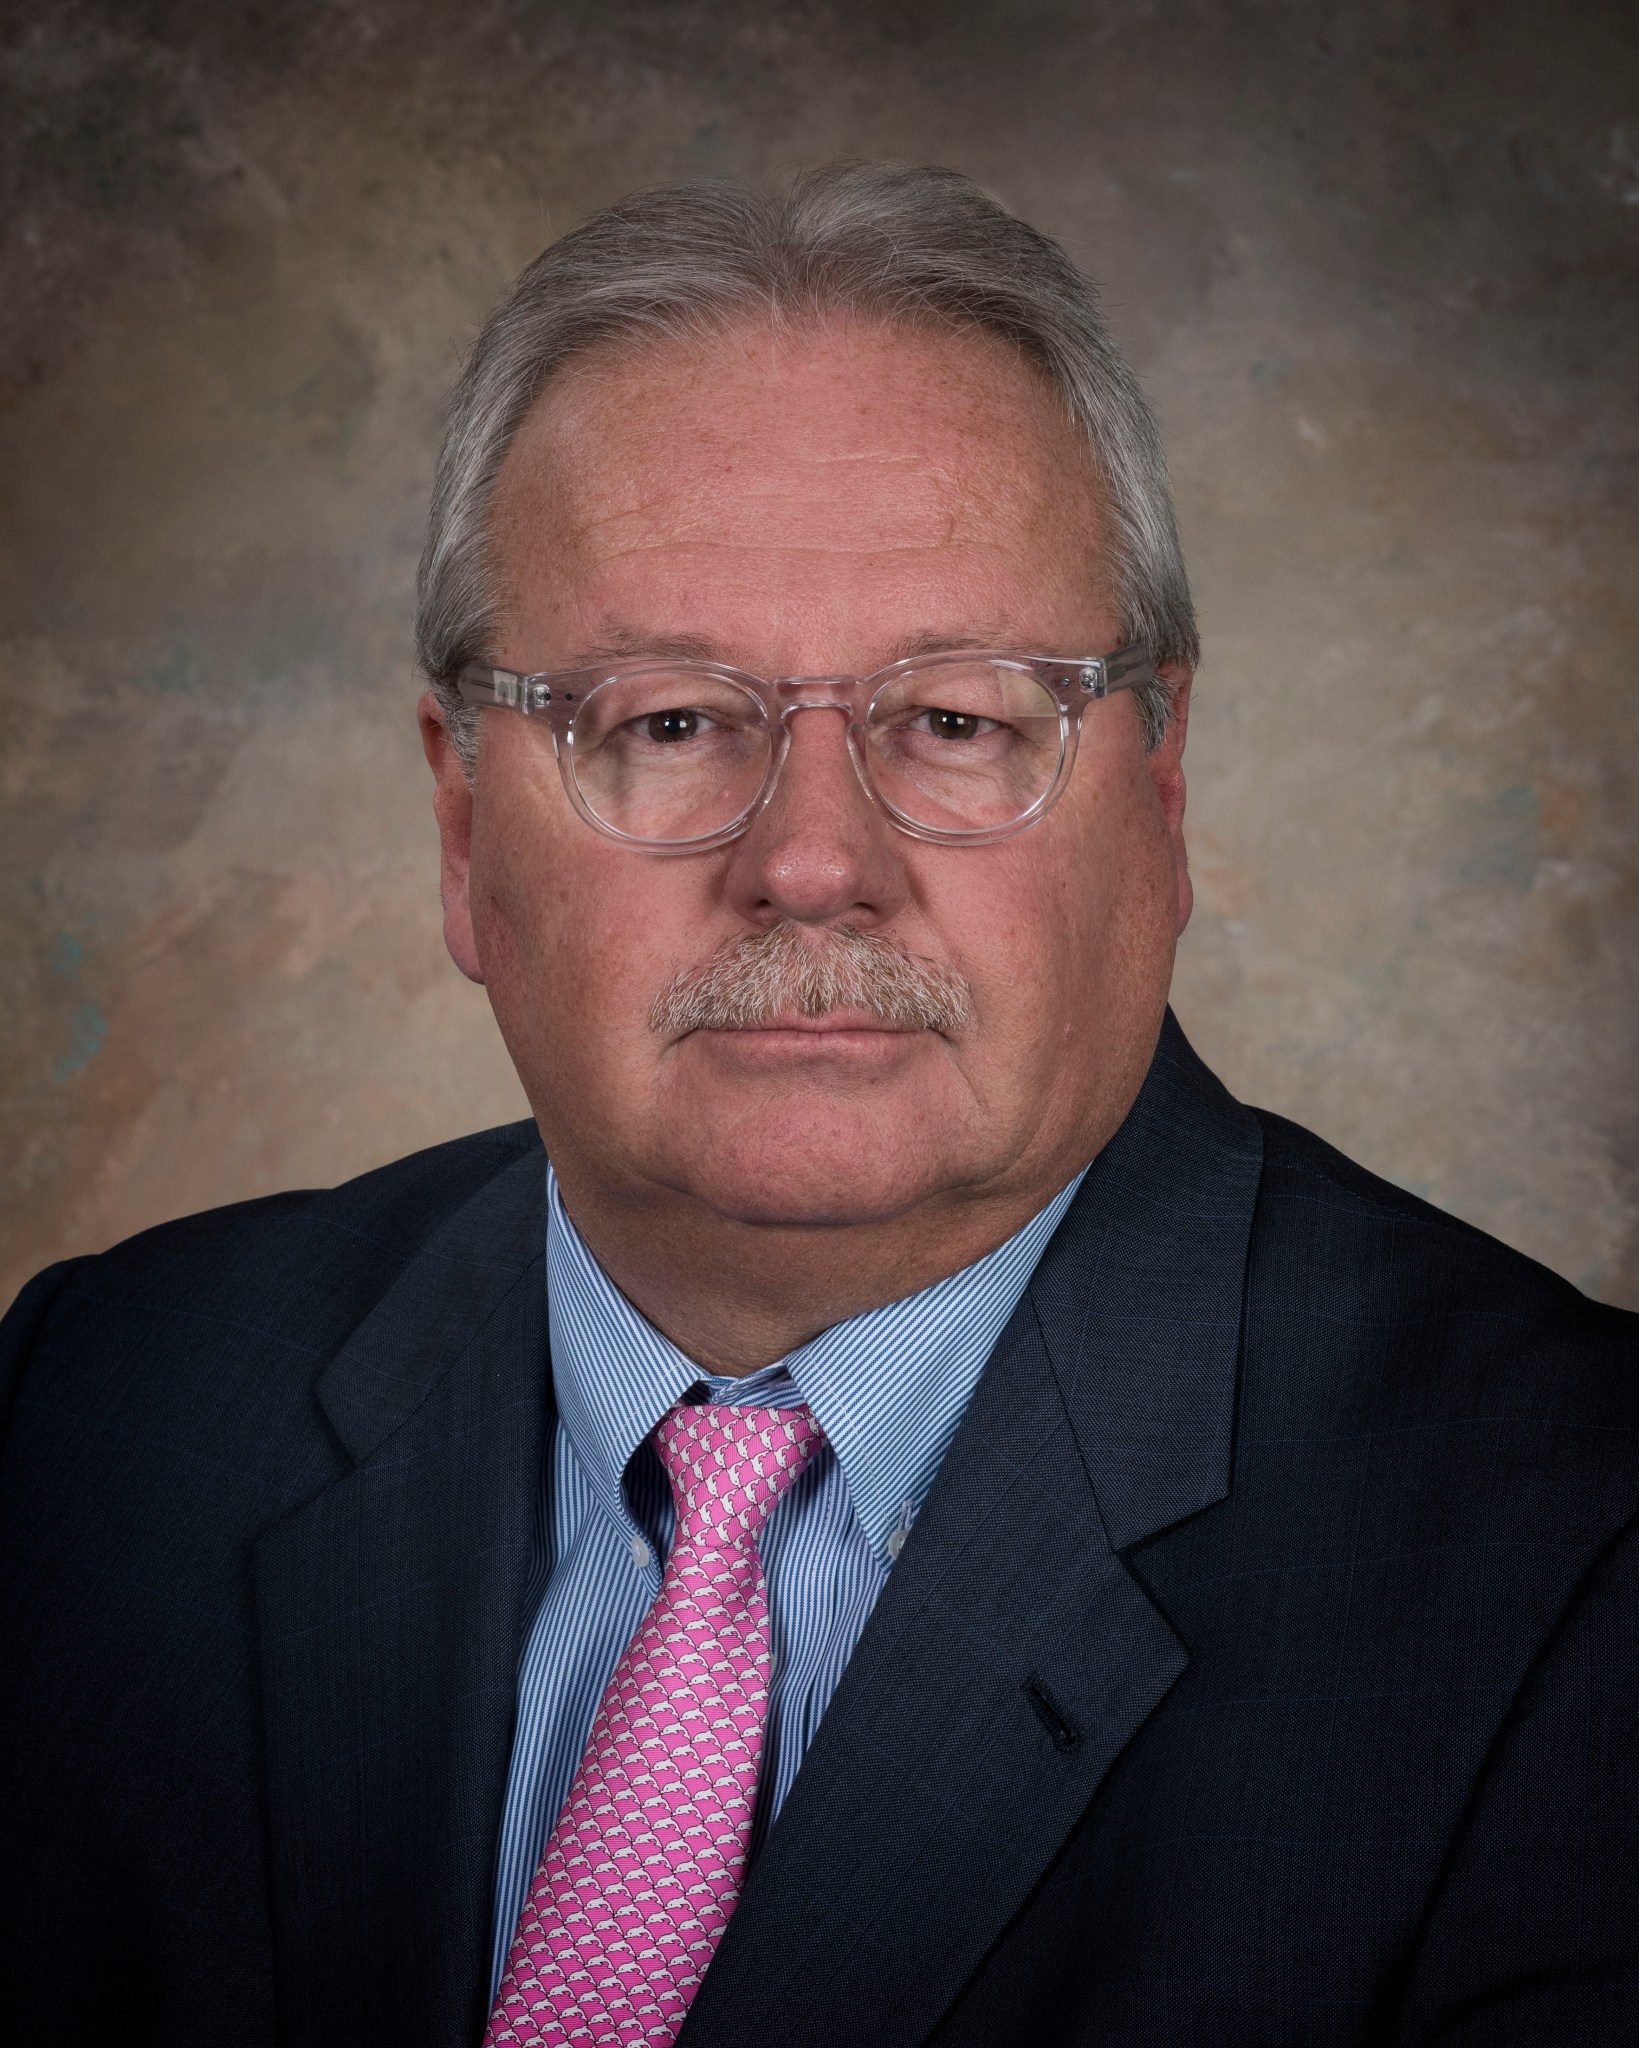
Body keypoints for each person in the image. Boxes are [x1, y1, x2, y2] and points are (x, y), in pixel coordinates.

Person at [1, 162, 1634, 2048]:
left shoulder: (1575, 1558)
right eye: (668, 722)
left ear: (1161, 794)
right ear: (462, 830)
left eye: (957, 720)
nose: (811, 864)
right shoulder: (100, 1416)